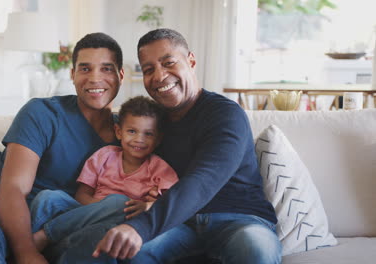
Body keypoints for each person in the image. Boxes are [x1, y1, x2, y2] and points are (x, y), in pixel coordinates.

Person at [93, 28, 282, 263]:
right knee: (130, 252)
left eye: (168, 63)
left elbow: (202, 181)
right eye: (149, 69)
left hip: (239, 220)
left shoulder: (225, 114)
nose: (160, 76)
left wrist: (140, 227)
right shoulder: (153, 123)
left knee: (256, 250)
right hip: (180, 224)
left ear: (190, 61)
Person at [0, 32, 126, 264]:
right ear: (73, 74)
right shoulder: (43, 113)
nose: (95, 78)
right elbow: (13, 189)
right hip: (1, 225)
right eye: (85, 69)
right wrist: (27, 253)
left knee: (106, 237)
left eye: (106, 69)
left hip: (68, 231)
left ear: (121, 75)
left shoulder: (131, 136)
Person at [31, 96, 178, 253]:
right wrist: (100, 209)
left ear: (158, 139)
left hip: (122, 221)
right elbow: (81, 195)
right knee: (47, 197)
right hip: (83, 212)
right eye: (132, 131)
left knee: (119, 202)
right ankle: (28, 245)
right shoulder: (104, 155)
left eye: (148, 134)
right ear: (119, 132)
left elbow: (174, 203)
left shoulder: (159, 168)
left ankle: (46, 235)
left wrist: (148, 205)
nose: (139, 139)